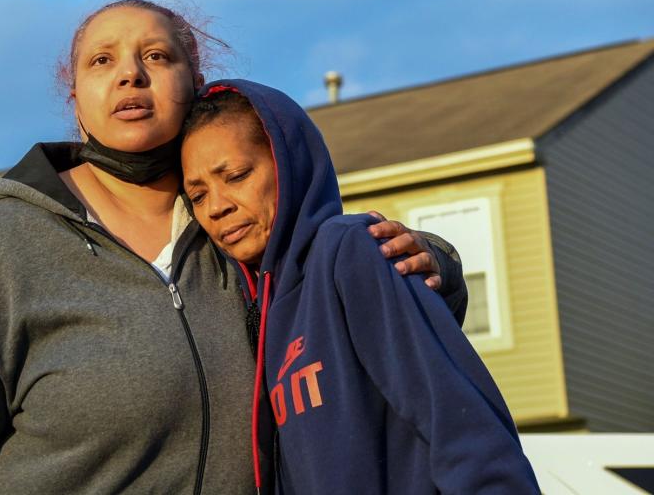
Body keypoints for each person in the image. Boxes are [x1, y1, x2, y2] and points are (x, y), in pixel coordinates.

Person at [0, 0, 467, 493]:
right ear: (77, 100)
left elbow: (350, 292)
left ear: (196, 78)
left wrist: (430, 262)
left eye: (155, 55)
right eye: (101, 61)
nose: (130, 74)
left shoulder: (240, 229)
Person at [180, 80, 539, 494]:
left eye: (237, 175)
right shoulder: (259, 310)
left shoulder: (347, 250)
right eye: (198, 195)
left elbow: (457, 417)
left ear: (287, 164)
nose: (218, 206)